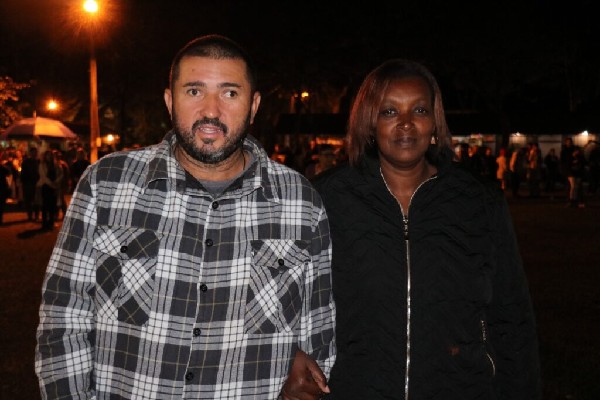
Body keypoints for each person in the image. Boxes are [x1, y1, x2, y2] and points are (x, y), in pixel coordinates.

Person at [36, 34, 336, 400]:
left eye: (230, 93)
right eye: (194, 91)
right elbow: (64, 316)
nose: (211, 111)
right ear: (169, 101)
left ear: (254, 105)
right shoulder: (107, 183)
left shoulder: (300, 200)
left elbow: (318, 331)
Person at [313, 59, 541, 399]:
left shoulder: (478, 201)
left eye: (419, 110)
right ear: (370, 122)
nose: (406, 123)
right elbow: (294, 302)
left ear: (435, 121)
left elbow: (511, 312)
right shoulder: (328, 198)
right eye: (389, 111)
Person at [36, 149, 63, 231]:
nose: (49, 157)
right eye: (48, 155)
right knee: (45, 205)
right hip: (46, 186)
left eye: (51, 155)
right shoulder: (42, 165)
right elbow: (43, 176)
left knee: (52, 205)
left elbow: (61, 174)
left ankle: (51, 222)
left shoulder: (56, 164)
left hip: (54, 187)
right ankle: (44, 223)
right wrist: (51, 184)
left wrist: (56, 181)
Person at [20, 146, 40, 221]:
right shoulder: (26, 162)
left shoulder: (38, 162)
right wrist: (23, 181)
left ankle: (36, 215)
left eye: (35, 152)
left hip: (35, 183)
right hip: (28, 183)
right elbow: (23, 173)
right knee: (28, 200)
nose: (34, 154)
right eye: (33, 152)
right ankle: (30, 215)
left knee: (36, 200)